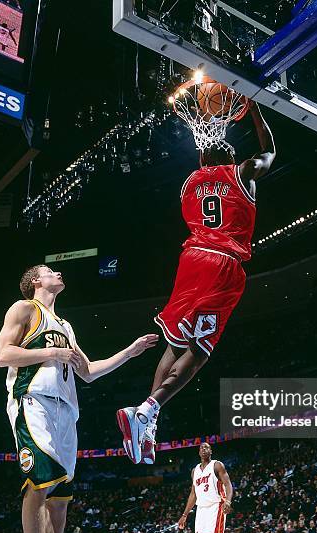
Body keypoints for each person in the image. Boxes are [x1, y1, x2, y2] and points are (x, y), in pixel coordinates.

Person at [118, 100, 276, 465]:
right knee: (200, 349)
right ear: (232, 158)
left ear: (203, 161)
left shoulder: (191, 182)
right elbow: (269, 150)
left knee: (173, 345)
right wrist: (254, 106)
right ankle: (149, 408)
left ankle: (147, 419)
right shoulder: (243, 173)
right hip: (222, 264)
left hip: (189, 261)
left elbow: (208, 166)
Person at [0, 264, 157, 533]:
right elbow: (3, 355)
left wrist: (128, 352)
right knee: (39, 484)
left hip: (67, 412)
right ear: (36, 281)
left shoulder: (66, 326)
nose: (58, 275)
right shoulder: (24, 309)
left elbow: (88, 372)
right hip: (33, 402)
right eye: (51, 272)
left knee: (61, 500)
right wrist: (51, 353)